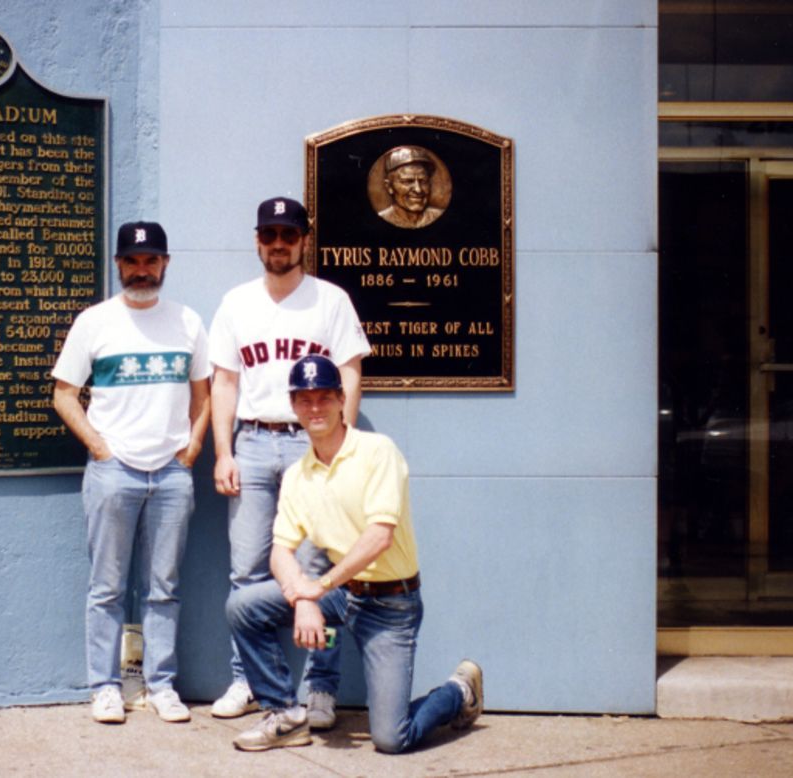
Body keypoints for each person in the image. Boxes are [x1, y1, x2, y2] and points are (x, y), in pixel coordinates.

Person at [227, 355, 483, 752]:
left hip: (391, 603)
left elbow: (379, 537)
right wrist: (302, 594)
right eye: (305, 400)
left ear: (342, 399)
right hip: (342, 595)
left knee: (392, 739)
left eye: (325, 398)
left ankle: (458, 691)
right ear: (293, 406)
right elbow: (280, 551)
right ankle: (285, 714)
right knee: (243, 605)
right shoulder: (298, 474)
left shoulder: (377, 451)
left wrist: (317, 588)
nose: (315, 408)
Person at [208, 197, 370, 728]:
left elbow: (348, 373)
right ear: (258, 240)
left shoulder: (330, 300)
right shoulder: (236, 303)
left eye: (289, 234)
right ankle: (251, 681)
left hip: (311, 442)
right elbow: (225, 381)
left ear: (305, 240)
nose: (280, 243)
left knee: (319, 568)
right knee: (247, 570)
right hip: (253, 442)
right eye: (270, 234)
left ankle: (320, 688)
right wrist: (224, 451)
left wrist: (337, 443)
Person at [53, 221, 212, 725]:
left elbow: (204, 396)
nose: (142, 270)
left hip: (170, 473)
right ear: (118, 264)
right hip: (114, 471)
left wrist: (191, 451)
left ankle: (161, 685)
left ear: (165, 264)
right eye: (132, 261)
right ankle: (105, 686)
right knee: (107, 587)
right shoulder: (94, 322)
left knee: (164, 586)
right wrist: (100, 449)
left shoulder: (187, 322)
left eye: (151, 261)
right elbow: (62, 393)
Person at [376, 146, 446, 229]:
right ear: (389, 187)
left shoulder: (438, 216)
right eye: (408, 181)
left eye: (423, 181)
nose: (418, 189)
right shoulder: (383, 218)